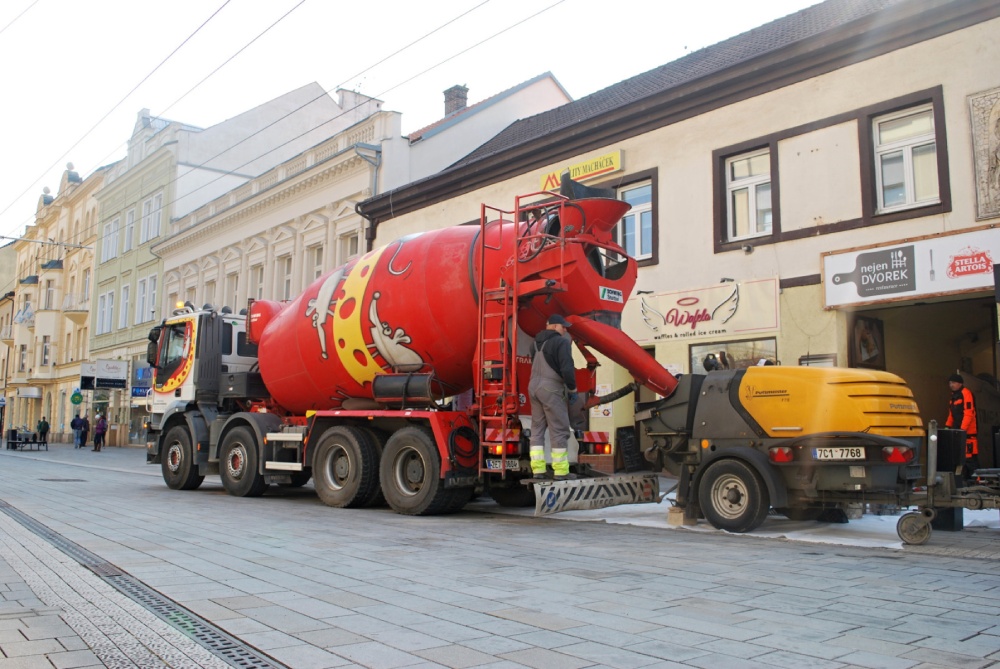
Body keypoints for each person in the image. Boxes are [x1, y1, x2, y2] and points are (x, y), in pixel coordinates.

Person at [528, 314, 577, 480]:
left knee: (537, 429)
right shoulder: (561, 342)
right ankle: (561, 471)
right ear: (555, 326)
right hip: (551, 388)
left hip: (533, 387)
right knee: (559, 429)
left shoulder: (534, 343)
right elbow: (567, 368)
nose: (565, 329)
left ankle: (538, 470)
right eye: (563, 327)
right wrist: (572, 388)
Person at [945, 373, 980, 476]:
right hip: (959, 432)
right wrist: (947, 426)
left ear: (960, 383)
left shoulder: (966, 394)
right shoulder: (953, 397)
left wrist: (962, 430)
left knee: (970, 458)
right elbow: (951, 414)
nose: (951, 385)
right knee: (959, 457)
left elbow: (969, 414)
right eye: (950, 383)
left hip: (968, 434)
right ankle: (964, 480)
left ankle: (976, 479)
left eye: (953, 383)